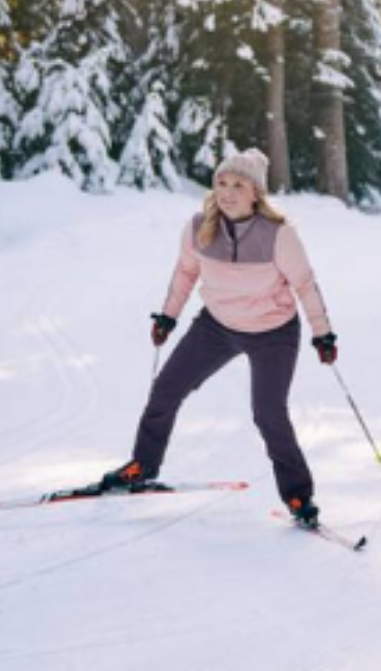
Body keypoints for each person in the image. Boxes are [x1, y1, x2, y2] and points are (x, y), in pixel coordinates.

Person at [97, 148, 340, 527]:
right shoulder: (199, 227)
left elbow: (305, 285)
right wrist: (168, 316)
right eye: (221, 183)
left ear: (255, 192)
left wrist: (323, 335)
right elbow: (185, 273)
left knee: (268, 414)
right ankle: (142, 467)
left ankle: (297, 494)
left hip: (272, 331)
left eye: (238, 185)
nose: (227, 192)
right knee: (166, 391)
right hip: (216, 326)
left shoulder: (279, 235)